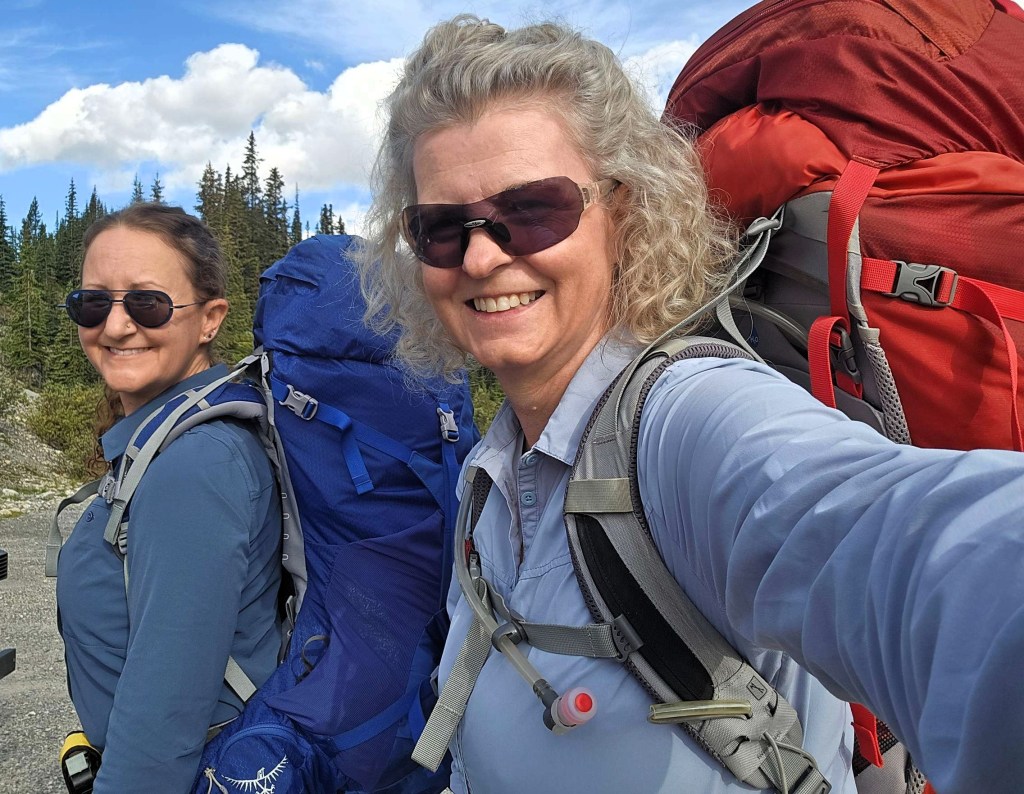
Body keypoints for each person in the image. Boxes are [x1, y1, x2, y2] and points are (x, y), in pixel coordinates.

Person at [357, 15, 1024, 794]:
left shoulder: (688, 422)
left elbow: (916, 549)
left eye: (534, 209)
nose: (479, 256)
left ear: (626, 215)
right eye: (441, 228)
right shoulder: (491, 470)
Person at [56, 203, 282, 792]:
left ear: (209, 319)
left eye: (147, 303)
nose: (115, 326)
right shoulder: (169, 438)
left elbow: (167, 710)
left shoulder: (196, 464)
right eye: (93, 301)